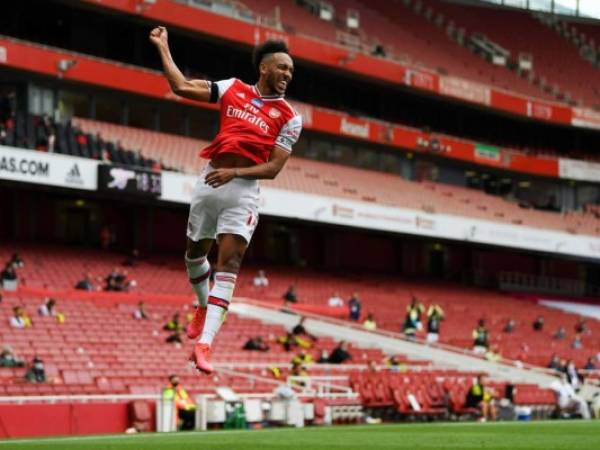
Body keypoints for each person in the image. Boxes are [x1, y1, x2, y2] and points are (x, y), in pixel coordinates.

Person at [151, 27, 302, 375]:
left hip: (242, 191)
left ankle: (205, 345)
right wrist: (163, 47)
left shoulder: (290, 118)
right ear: (264, 68)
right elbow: (181, 87)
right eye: (282, 68)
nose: (287, 75)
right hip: (210, 182)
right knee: (193, 255)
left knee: (229, 264)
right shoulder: (232, 88)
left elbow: (274, 168)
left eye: (291, 71)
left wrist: (235, 175)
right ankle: (203, 306)